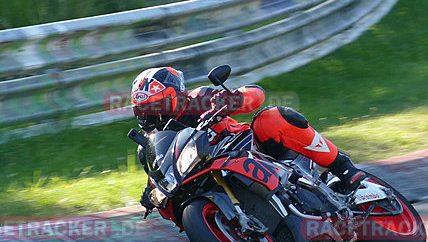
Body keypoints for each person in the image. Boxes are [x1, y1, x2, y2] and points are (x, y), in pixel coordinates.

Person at [130, 66, 365, 209]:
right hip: (206, 183)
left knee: (270, 118)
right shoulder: (148, 147)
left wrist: (233, 100)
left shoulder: (198, 99)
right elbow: (162, 180)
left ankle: (343, 167)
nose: (151, 115)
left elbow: (256, 93)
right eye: (144, 109)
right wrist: (151, 195)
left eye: (157, 105)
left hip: (249, 150)